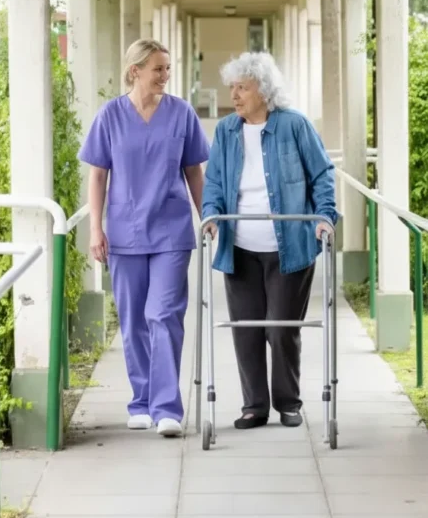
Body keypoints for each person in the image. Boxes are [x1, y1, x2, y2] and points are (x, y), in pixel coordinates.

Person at [78, 38, 210, 438]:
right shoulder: (110, 116)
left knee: (164, 315)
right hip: (124, 231)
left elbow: (194, 173)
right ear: (135, 70)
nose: (165, 76)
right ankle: (141, 401)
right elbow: (98, 175)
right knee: (134, 320)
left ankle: (168, 407)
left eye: (167, 69)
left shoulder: (181, 114)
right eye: (158, 69)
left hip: (171, 230)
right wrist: (95, 228)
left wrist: (209, 219)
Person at [202, 51, 338, 430]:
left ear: (263, 90)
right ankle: (254, 406)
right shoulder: (226, 131)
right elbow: (213, 182)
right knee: (246, 329)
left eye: (242, 87)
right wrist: (210, 215)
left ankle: (288, 402)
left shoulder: (294, 126)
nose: (235, 95)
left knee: (281, 328)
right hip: (239, 246)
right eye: (233, 87)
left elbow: (322, 174)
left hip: (290, 247)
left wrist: (325, 216)